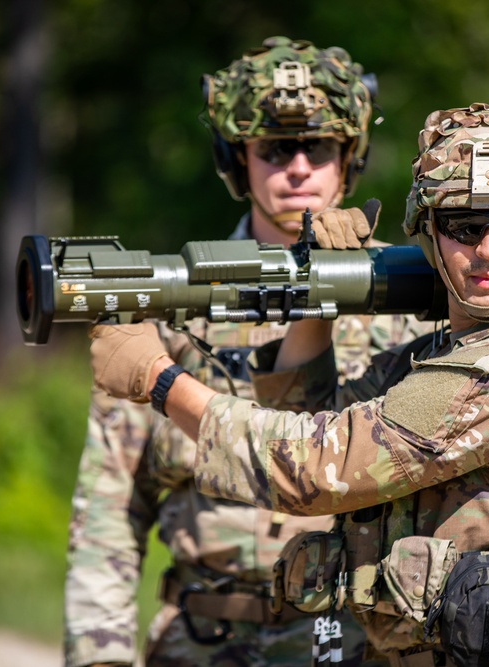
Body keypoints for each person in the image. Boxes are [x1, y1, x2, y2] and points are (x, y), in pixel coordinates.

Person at [88, 102, 489, 667]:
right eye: (462, 225)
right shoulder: (447, 353)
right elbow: (308, 412)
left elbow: (314, 469)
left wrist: (160, 379)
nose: (487, 249)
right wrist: (321, 290)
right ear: (429, 233)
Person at [64, 37, 430, 667]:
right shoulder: (173, 306)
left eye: (318, 147)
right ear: (238, 161)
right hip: (202, 644)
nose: (297, 168)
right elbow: (109, 514)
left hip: (350, 643)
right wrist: (99, 657)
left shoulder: (403, 313)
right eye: (274, 148)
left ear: (350, 159)